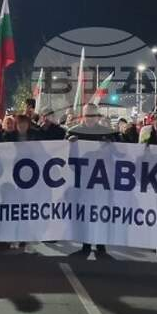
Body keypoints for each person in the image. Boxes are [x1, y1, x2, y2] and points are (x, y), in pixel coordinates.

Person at [67, 103, 119, 258]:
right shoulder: (73, 131)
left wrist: (112, 144)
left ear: (97, 116)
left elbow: (120, 152)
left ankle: (101, 244)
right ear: (82, 115)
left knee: (101, 212)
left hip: (102, 180)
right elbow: (62, 151)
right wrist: (69, 142)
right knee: (85, 213)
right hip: (82, 180)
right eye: (87, 115)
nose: (89, 118)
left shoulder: (107, 132)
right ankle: (86, 244)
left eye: (92, 115)